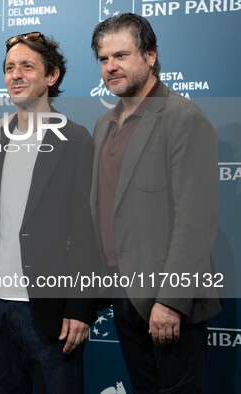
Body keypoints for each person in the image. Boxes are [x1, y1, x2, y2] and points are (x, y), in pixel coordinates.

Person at [89, 13, 221, 393]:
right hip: (121, 292)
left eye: (121, 55)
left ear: (150, 55)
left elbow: (196, 221)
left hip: (165, 299)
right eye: (103, 59)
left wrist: (172, 300)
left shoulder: (183, 118)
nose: (111, 66)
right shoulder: (103, 125)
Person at [0, 32, 100, 393]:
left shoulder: (76, 140)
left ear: (52, 76)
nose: (16, 75)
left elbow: (86, 228)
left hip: (49, 310)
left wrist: (80, 307)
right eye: (10, 67)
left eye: (27, 66)